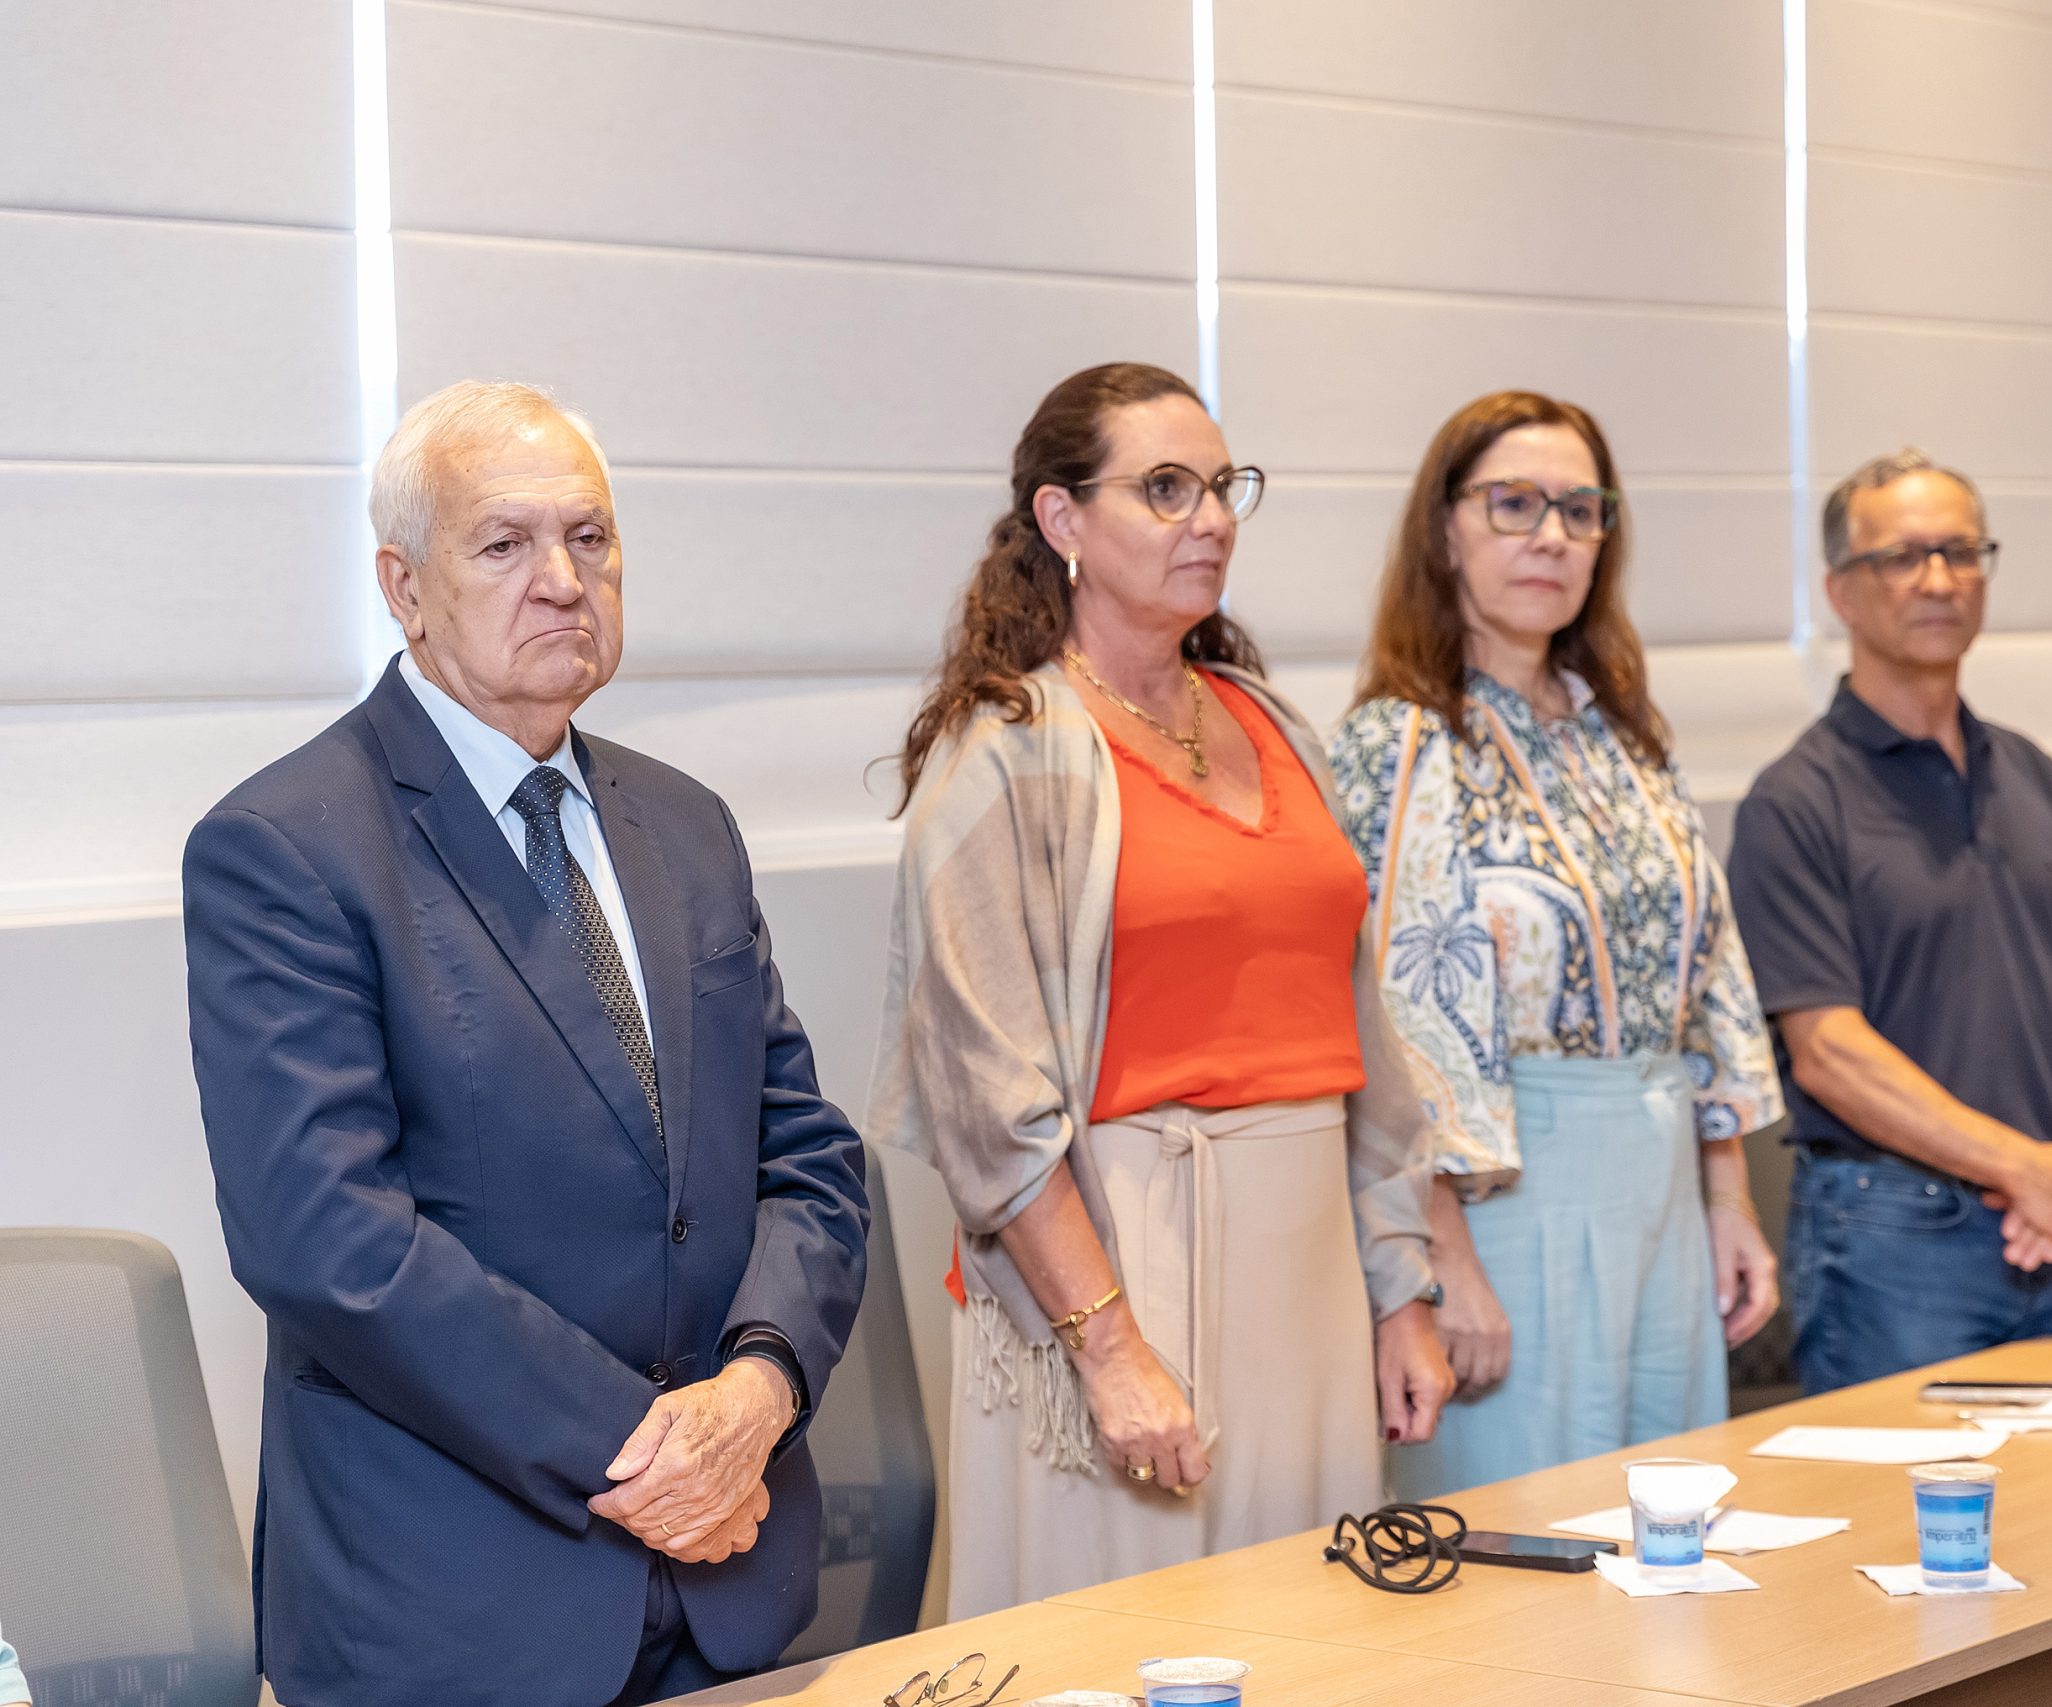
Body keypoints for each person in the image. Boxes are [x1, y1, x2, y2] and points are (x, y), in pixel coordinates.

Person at [182, 382, 870, 1707]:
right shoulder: (286, 845)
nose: (563, 580)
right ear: (405, 586)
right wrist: (655, 1454)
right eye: (504, 543)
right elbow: (326, 1242)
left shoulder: (688, 826)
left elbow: (808, 1158)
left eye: (590, 538)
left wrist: (761, 1388)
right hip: (457, 1611)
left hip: (726, 1581)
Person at [870, 361, 1454, 1619]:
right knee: (1133, 1649)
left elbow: (1363, 1046)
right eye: (1167, 488)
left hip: (1307, 1263)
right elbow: (987, 1103)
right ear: (1062, 519)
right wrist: (1110, 1346)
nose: (1212, 518)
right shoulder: (1003, 755)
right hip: (1116, 1265)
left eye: (1224, 487)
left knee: (1314, 1642)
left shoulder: (1272, 724)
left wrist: (1399, 1291)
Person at [1329, 390, 1784, 1496]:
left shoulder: (1624, 733)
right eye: (1514, 504)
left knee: (1676, 1521)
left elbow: (1709, 979)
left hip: (1663, 1193)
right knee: (1540, 1533)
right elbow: (1391, 1026)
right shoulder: (1401, 742)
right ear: (1444, 531)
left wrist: (1728, 1200)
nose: (1552, 536)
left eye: (1581, 510)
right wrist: (1440, 1261)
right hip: (1507, 1201)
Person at [1727, 448, 2052, 1396]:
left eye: (1962, 552)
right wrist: (2030, 1171)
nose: (1941, 579)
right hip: (1894, 1238)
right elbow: (1827, 1050)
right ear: (1841, 591)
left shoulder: (2028, 770)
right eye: (1904, 557)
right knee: (1907, 1494)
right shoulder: (1797, 799)